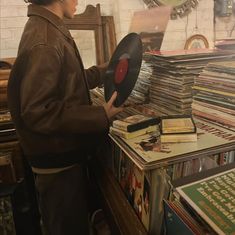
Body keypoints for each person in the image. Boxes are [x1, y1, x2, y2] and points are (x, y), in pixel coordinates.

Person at [7, 0, 123, 234]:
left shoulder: (45, 27)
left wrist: (108, 69)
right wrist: (100, 114)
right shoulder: (46, 40)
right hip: (58, 165)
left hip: (59, 158)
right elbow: (38, 111)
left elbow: (69, 81)